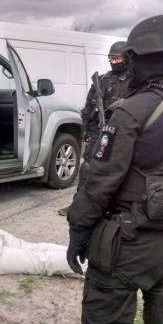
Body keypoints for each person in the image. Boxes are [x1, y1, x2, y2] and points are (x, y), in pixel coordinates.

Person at [66, 14, 163, 324]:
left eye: (132, 60)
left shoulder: (132, 111)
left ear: (145, 60)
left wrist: (78, 234)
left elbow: (98, 185)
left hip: (130, 243)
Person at [58, 41, 131, 216]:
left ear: (127, 58)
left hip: (123, 133)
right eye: (111, 59)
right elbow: (88, 108)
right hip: (100, 131)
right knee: (88, 168)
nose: (114, 62)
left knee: (119, 171)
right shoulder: (102, 80)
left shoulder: (135, 82)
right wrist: (86, 130)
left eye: (117, 58)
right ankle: (78, 206)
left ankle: (114, 208)